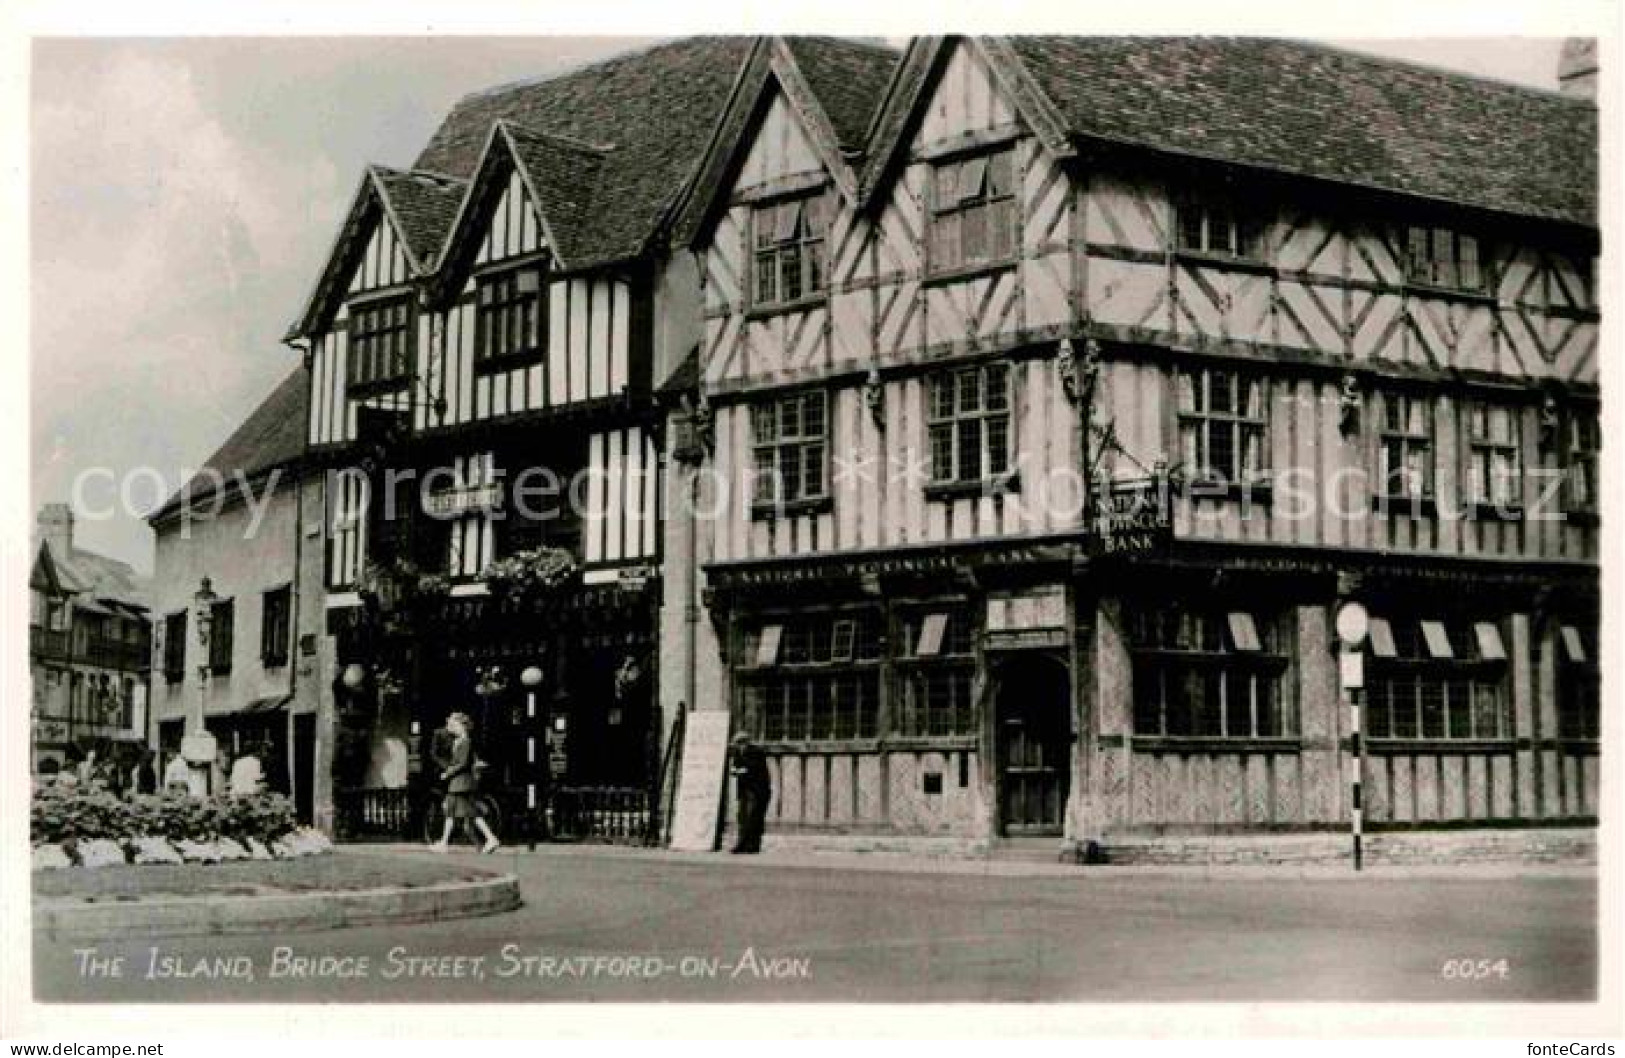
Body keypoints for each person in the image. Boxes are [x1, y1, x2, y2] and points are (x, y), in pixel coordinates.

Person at [432, 712, 500, 854]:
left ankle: (490, 838)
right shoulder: (459, 741)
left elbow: (462, 763)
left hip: (461, 783)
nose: (452, 727)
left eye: (455, 725)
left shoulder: (465, 742)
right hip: (459, 783)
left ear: (462, 726)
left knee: (467, 814)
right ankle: (445, 842)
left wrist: (448, 773)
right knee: (457, 814)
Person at [729, 733, 771, 854]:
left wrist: (744, 770)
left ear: (746, 742)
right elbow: (736, 766)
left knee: (753, 818)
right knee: (742, 817)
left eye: (740, 744)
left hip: (757, 789)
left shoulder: (757, 752)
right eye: (737, 745)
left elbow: (756, 768)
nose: (739, 747)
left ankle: (752, 845)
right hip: (744, 789)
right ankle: (742, 845)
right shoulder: (738, 753)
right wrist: (735, 770)